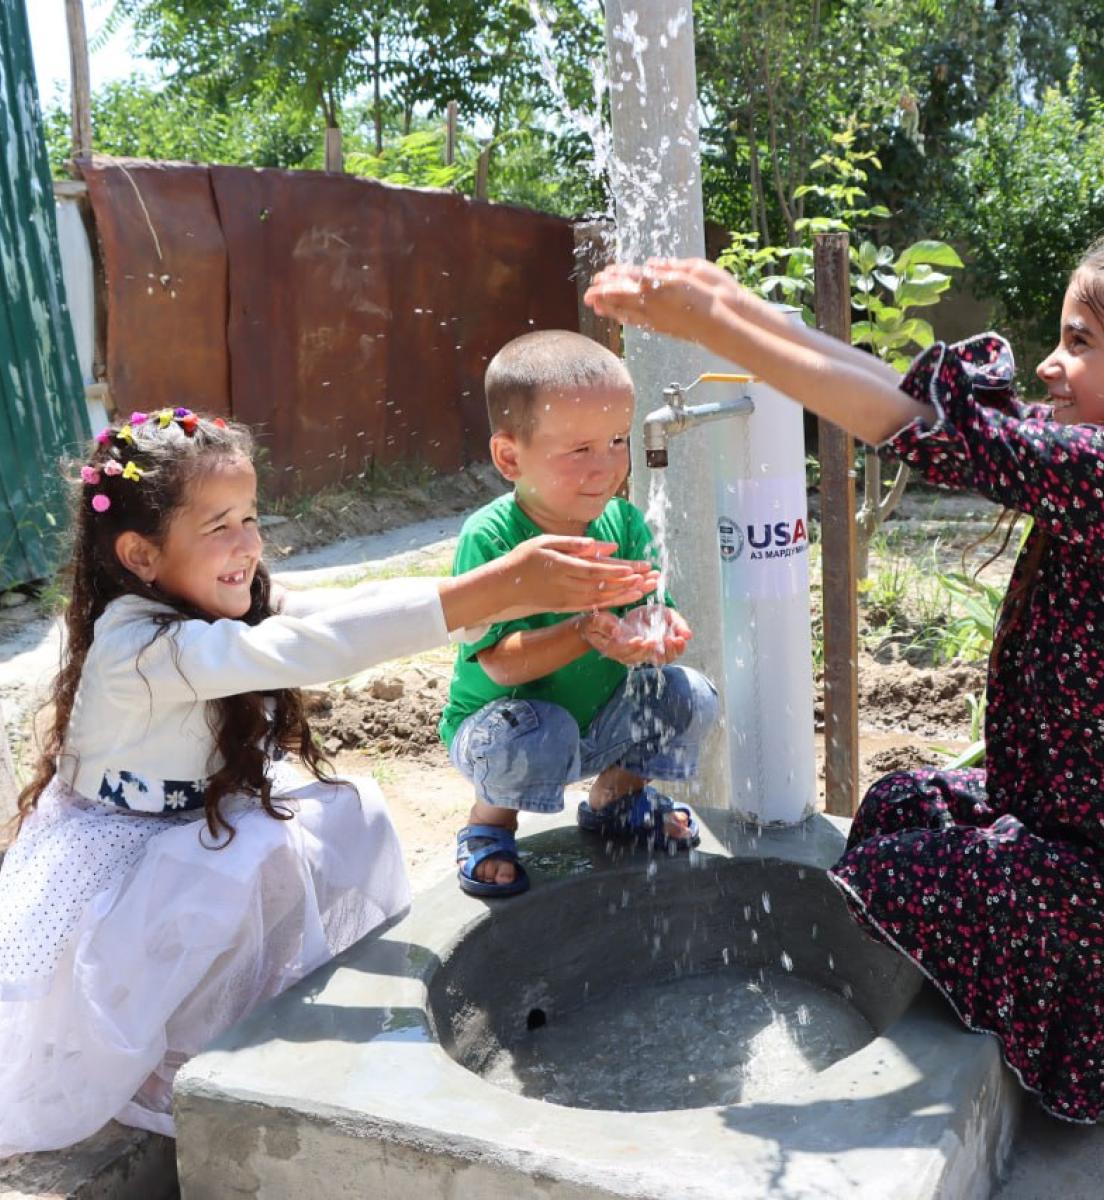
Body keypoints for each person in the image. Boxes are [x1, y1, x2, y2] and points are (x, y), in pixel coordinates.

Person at [586, 228, 1104, 1130]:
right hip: (1066, 816)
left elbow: (921, 428)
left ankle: (1063, 1017)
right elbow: (912, 401)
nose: (1049, 362)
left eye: (1080, 342)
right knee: (901, 804)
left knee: (899, 875)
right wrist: (740, 309)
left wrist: (723, 328)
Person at [0, 406, 660, 1154]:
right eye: (218, 526)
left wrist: (513, 595)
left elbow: (346, 609)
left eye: (250, 517)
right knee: (239, 863)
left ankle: (250, 1020)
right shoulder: (136, 645)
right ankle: (173, 1063)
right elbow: (319, 646)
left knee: (347, 816)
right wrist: (497, 584)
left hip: (188, 829)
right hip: (119, 865)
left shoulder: (232, 598)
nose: (247, 545)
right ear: (141, 556)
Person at [440, 330, 719, 898]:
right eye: (580, 450)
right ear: (510, 457)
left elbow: (651, 607)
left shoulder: (621, 524)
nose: (608, 466)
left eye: (617, 440)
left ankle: (617, 797)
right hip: (505, 735)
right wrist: (583, 634)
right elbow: (499, 667)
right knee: (537, 729)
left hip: (597, 725)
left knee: (686, 692)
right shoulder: (493, 538)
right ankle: (489, 825)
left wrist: (655, 632)